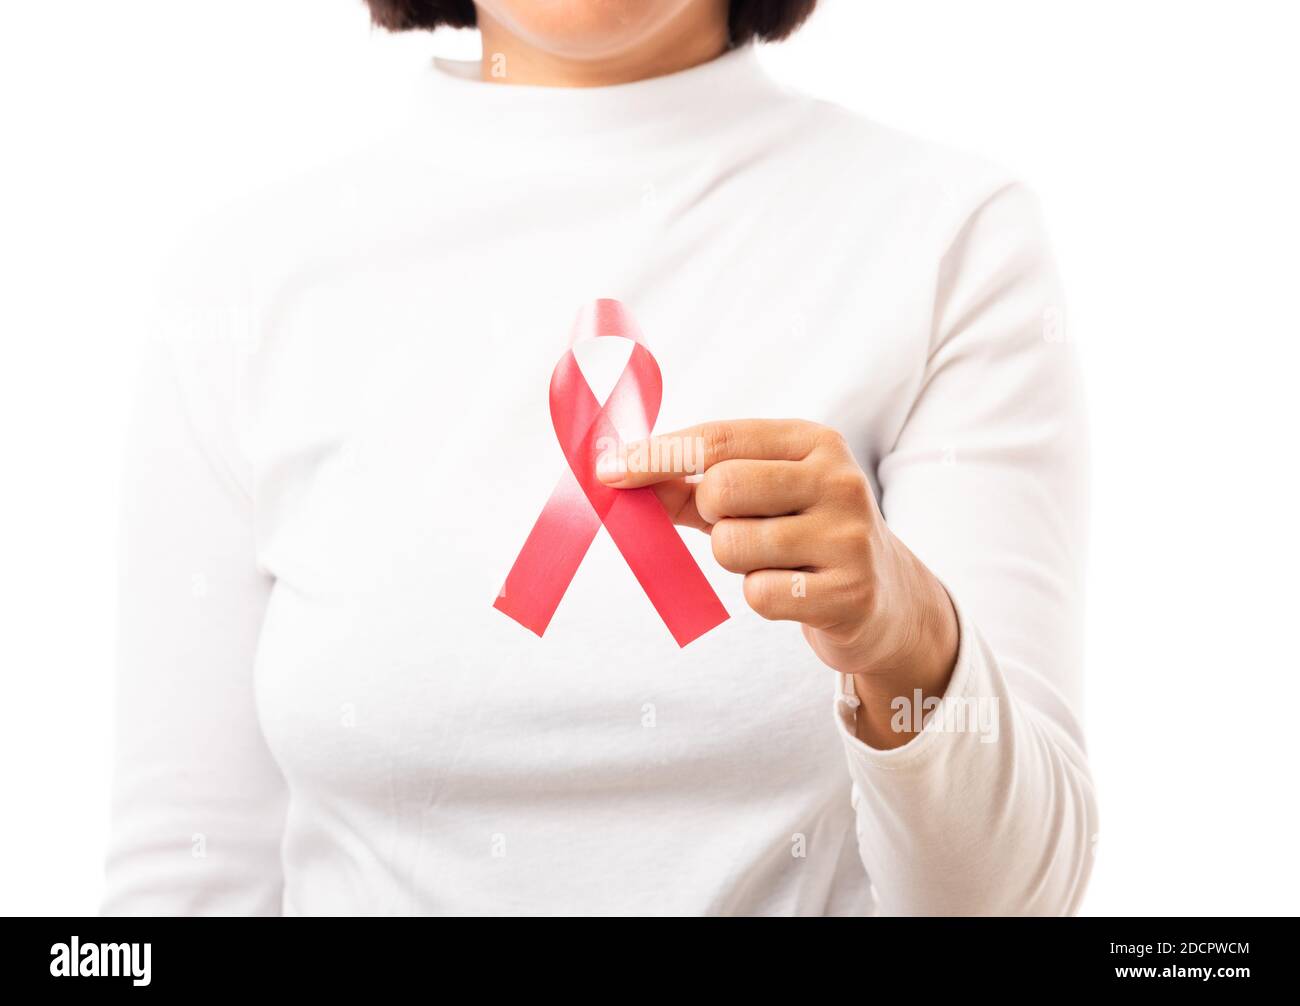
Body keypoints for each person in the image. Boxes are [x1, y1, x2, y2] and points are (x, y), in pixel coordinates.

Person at [104, 0, 1097, 915]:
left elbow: (1012, 902)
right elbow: (182, 885)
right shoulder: (246, 280)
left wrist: (906, 640)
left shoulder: (946, 239)